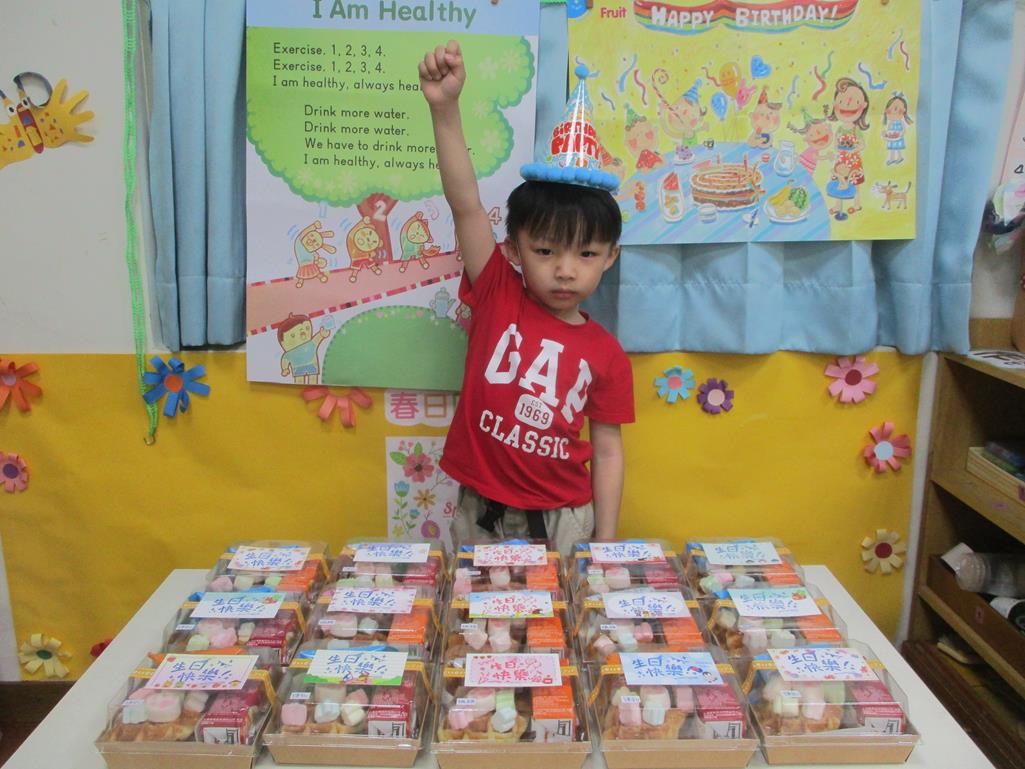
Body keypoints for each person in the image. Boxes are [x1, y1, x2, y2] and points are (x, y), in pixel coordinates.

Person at [418, 41, 635, 556]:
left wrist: (606, 543)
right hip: (481, 511)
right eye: (545, 250)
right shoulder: (497, 290)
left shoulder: (608, 355)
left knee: (562, 611)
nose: (565, 269)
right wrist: (444, 108)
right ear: (514, 249)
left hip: (565, 520)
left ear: (610, 257)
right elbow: (466, 204)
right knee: (473, 609)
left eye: (586, 253)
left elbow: (607, 452)